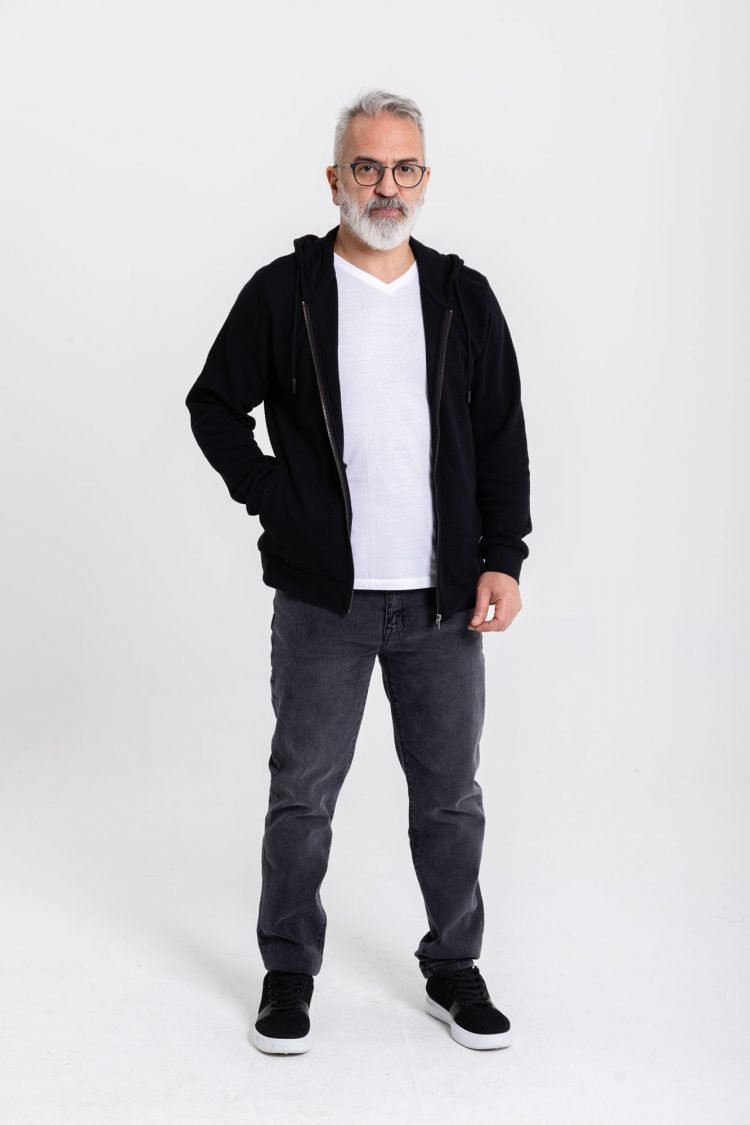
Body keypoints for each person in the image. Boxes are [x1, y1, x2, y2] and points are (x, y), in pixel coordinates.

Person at [185, 89, 532, 1055]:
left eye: (404, 167)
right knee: (302, 793)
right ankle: (288, 972)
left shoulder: (461, 296)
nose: (387, 186)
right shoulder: (287, 292)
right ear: (335, 178)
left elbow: (502, 438)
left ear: (426, 178)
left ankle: (454, 966)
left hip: (441, 602)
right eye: (368, 167)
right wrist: (276, 496)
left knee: (450, 795)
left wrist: (503, 558)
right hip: (321, 602)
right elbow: (214, 406)